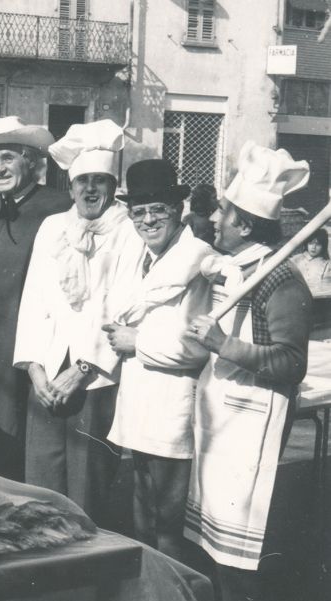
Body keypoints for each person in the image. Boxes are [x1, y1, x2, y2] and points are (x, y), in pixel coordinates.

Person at [183, 141, 312, 601]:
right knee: (211, 551)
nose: (213, 219)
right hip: (220, 420)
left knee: (239, 564)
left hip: (252, 427)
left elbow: (292, 364)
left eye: (222, 212)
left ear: (244, 222)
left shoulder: (281, 279)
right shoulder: (237, 267)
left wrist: (225, 345)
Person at [12, 119, 129, 522]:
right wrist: (35, 370)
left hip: (95, 376)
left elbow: (122, 306)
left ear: (113, 186)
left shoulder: (128, 231)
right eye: (82, 181)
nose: (90, 190)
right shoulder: (52, 228)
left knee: (86, 488)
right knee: (42, 487)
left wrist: (82, 369)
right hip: (47, 373)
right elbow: (34, 300)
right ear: (71, 185)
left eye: (99, 180)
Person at [102, 159, 214, 560]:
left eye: (158, 209)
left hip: (173, 405)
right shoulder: (141, 257)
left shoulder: (199, 262)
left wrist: (138, 341)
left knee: (169, 522)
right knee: (143, 508)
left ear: (178, 208)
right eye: (139, 212)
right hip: (139, 401)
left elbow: (199, 344)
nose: (148, 220)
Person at [0, 116, 71, 480]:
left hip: (32, 345)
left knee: (26, 446)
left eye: (7, 158)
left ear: (31, 162)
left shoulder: (57, 208)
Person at [291, 228, 331, 293]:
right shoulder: (295, 259)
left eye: (318, 244)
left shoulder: (327, 264)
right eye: (311, 243)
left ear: (323, 246)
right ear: (306, 244)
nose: (313, 247)